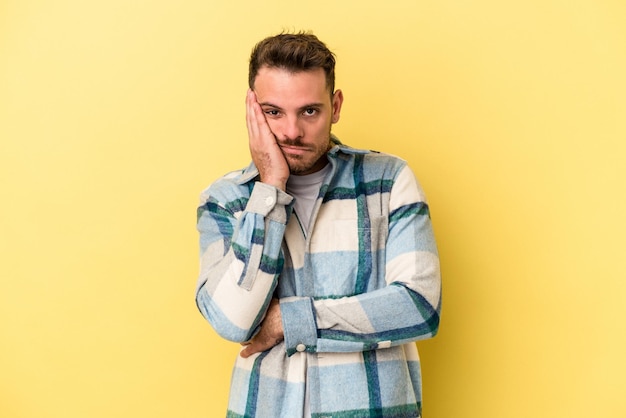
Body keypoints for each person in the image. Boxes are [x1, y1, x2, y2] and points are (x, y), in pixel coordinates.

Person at [195, 32, 441, 418]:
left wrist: (286, 320)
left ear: (336, 105)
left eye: (309, 111)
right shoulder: (226, 199)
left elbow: (418, 306)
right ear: (252, 110)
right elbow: (232, 320)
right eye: (273, 112)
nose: (292, 131)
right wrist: (270, 188)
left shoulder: (389, 181)